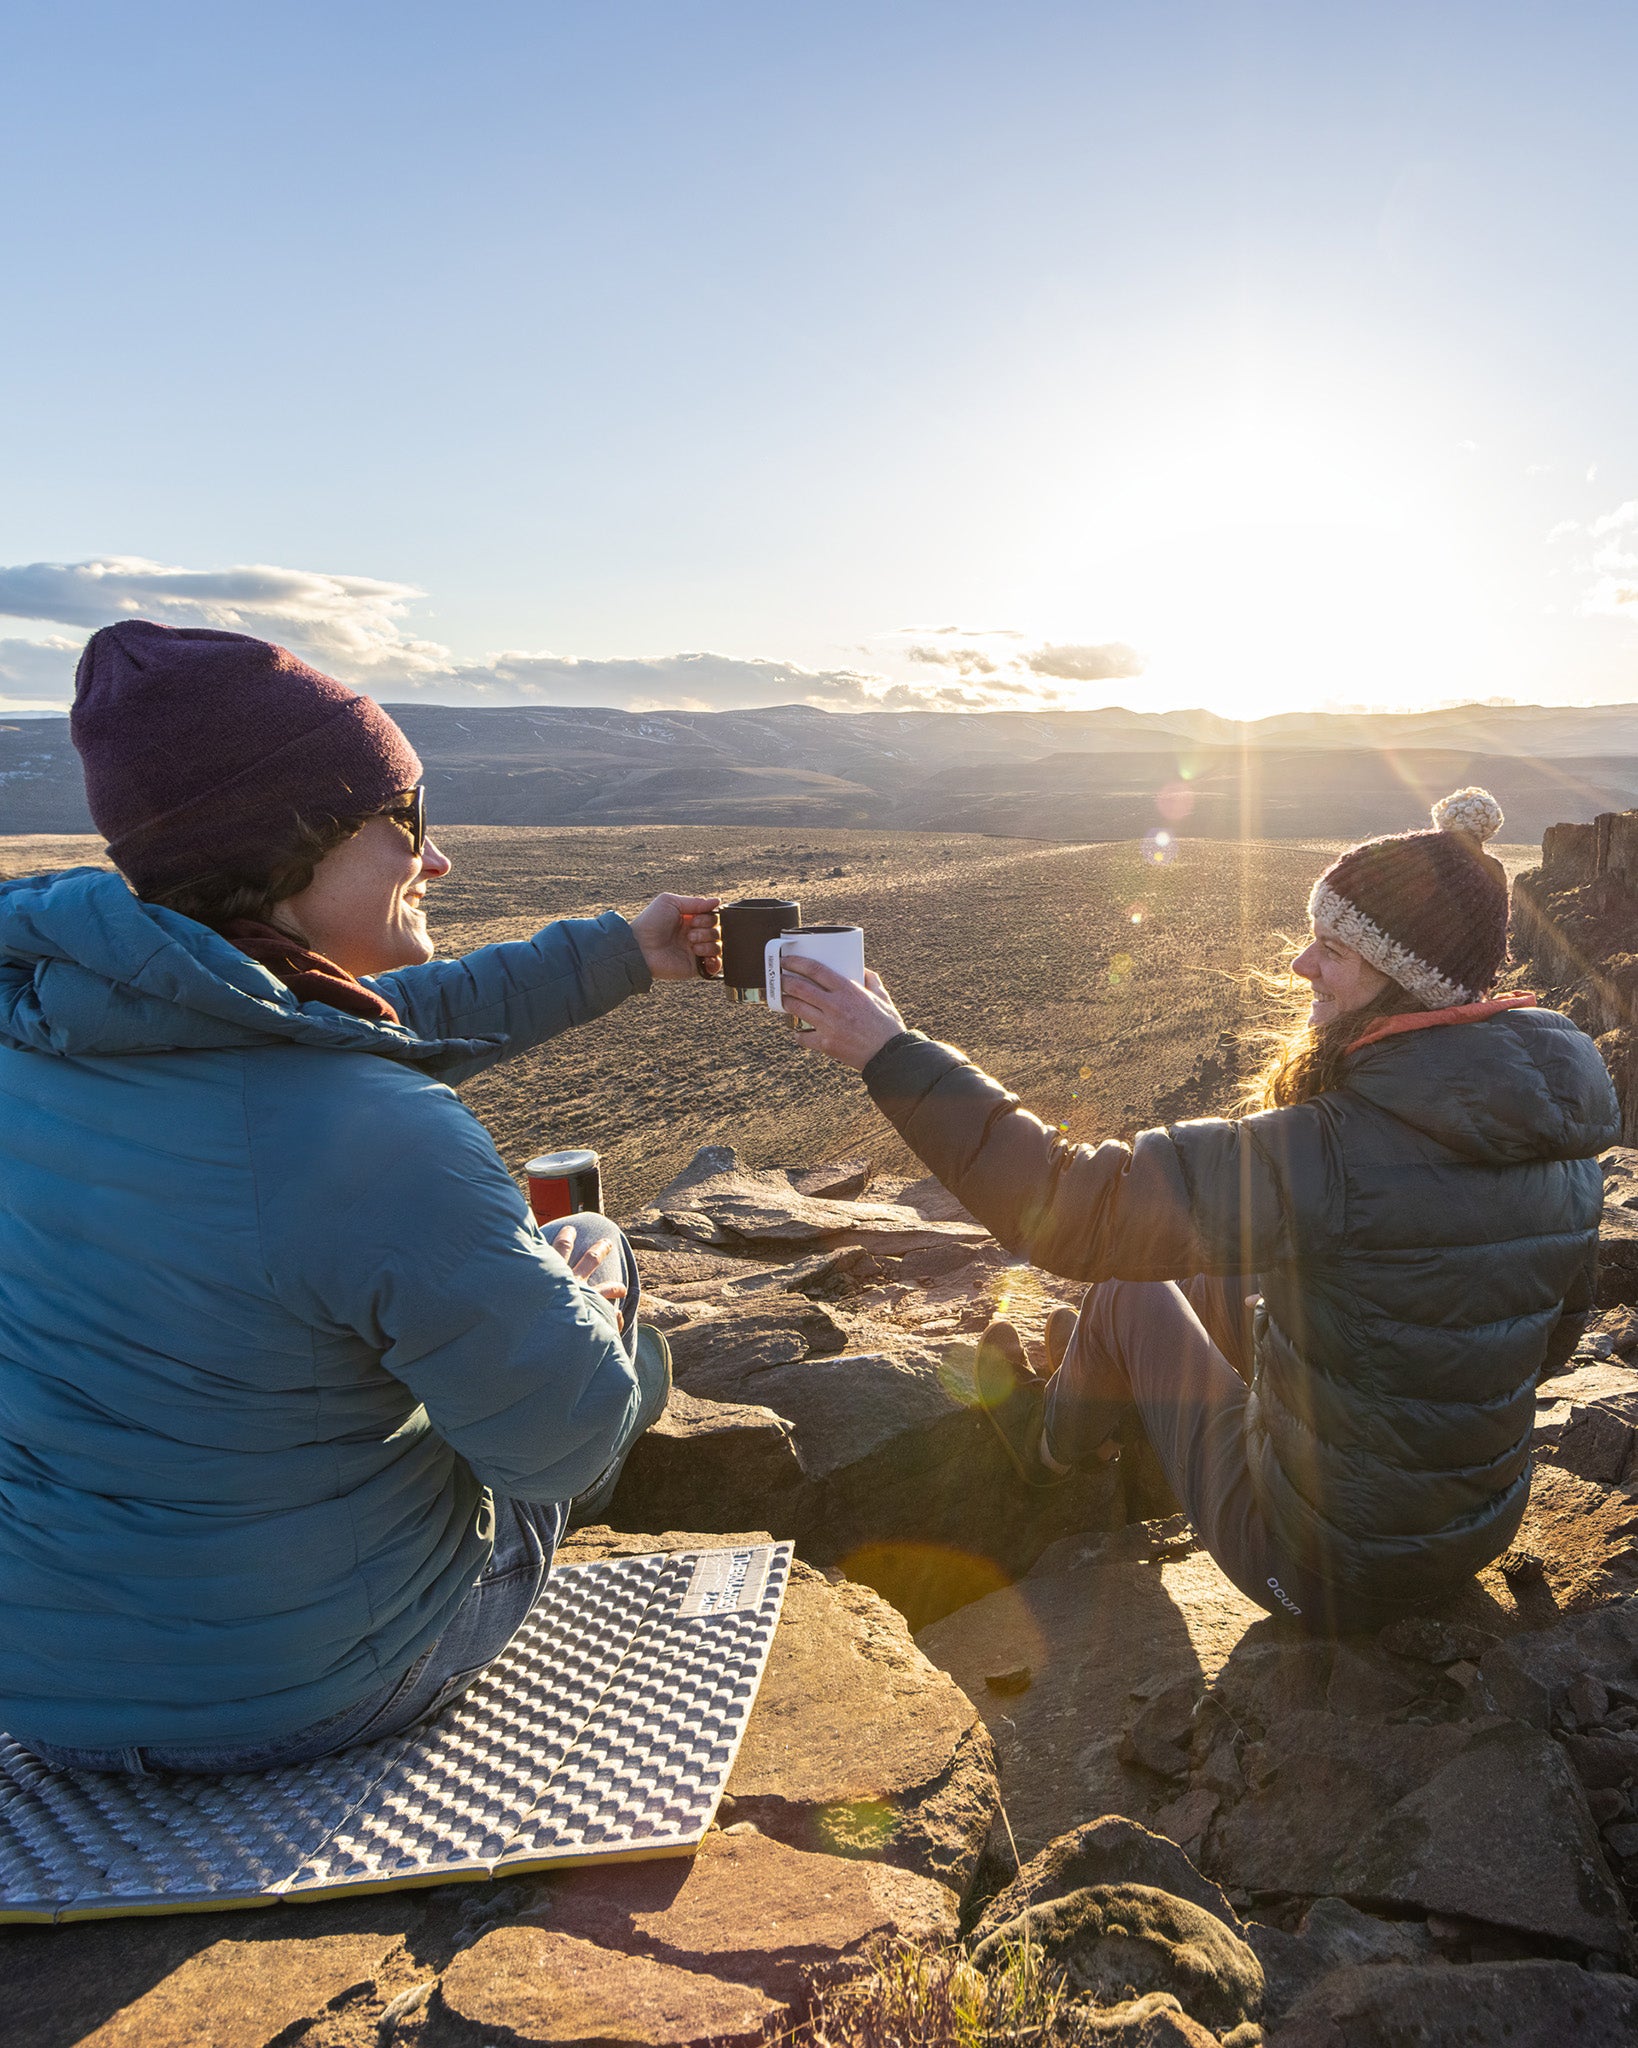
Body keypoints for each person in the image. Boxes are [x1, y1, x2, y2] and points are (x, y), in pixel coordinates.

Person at [0, 620, 721, 1773]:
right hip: (303, 1685)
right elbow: (562, 1447)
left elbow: (324, 1034)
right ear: (292, 849)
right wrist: (598, 1297)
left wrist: (625, 953)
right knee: (584, 1258)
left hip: (41, 1687)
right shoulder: (379, 1135)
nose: (436, 861)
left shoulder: (47, 1032)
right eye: (409, 822)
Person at [777, 789, 1620, 1633]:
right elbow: (1543, 1343)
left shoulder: (1334, 1148)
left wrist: (889, 1053)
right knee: (1222, 1261)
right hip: (1469, 1532)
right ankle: (1107, 1389)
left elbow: (1074, 1207)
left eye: (1333, 948)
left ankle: (1045, 1447)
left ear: (1403, 980)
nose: (1301, 966)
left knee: (1127, 1293)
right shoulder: (1558, 1134)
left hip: (1323, 1568)